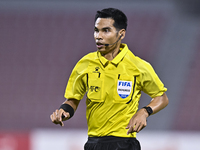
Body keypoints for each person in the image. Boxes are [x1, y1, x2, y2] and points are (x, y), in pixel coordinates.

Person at [50, 8, 169, 150]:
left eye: (105, 30)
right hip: (93, 143)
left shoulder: (138, 66)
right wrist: (64, 111)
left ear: (121, 34)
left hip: (124, 143)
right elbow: (73, 100)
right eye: (96, 30)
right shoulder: (85, 64)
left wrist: (144, 112)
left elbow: (161, 98)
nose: (98, 36)